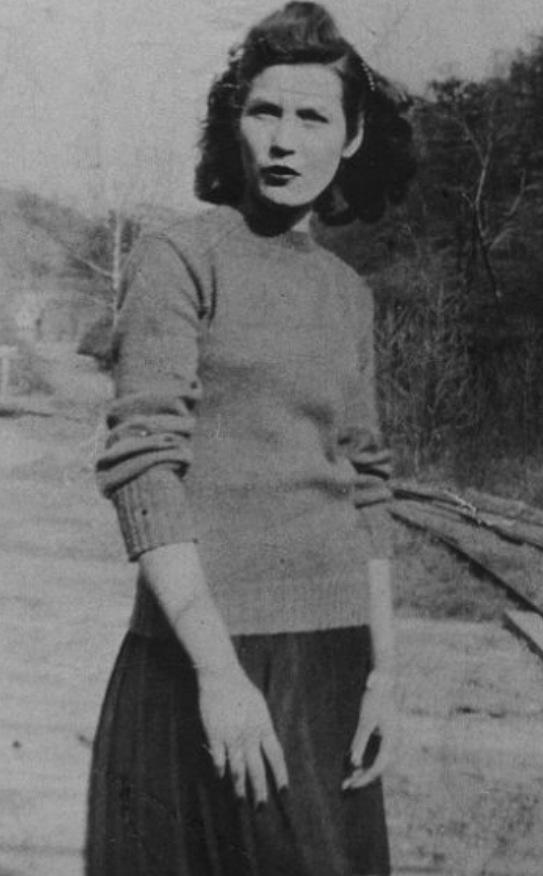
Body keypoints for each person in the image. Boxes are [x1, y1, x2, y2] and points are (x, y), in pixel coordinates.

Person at [86, 3, 416, 874]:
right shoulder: (180, 257)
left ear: (348, 141)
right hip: (202, 660)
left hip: (332, 665)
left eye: (312, 118)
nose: (283, 140)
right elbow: (144, 466)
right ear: (234, 121)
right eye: (264, 111)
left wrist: (382, 673)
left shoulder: (347, 293)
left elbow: (368, 482)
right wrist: (219, 675)